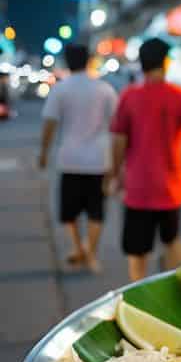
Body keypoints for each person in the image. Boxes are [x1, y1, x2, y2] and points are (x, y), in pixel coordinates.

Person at [109, 38, 181, 281]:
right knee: (171, 241)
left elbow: (119, 141)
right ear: (165, 62)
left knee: (137, 250)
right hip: (170, 187)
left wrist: (114, 175)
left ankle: (136, 297)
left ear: (141, 64)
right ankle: (172, 289)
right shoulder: (178, 95)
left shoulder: (129, 96)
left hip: (138, 187)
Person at [39, 43, 117, 272]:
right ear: (89, 60)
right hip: (99, 160)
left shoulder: (61, 89)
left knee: (68, 212)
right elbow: (116, 126)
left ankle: (77, 248)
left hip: (70, 159)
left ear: (67, 62)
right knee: (96, 211)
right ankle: (91, 253)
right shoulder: (104, 89)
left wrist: (43, 153)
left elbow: (50, 124)